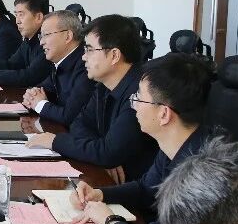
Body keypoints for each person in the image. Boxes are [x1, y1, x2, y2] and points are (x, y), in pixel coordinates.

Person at [72, 53, 211, 224]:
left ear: (164, 114)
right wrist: (100, 194)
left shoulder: (199, 172)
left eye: (139, 97)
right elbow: (146, 189)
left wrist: (109, 221)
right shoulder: (176, 144)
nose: (133, 104)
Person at [28, 13, 158, 180]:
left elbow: (109, 153)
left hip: (139, 188)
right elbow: (79, 123)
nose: (83, 57)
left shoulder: (140, 93)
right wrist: (100, 153)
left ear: (114, 55)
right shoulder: (104, 85)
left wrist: (55, 141)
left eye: (89, 50)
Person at [20, 9, 96, 130]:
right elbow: (43, 89)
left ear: (68, 36)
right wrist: (32, 95)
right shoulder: (62, 61)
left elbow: (70, 116)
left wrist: (39, 104)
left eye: (46, 35)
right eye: (41, 36)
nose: (41, 42)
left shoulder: (86, 65)